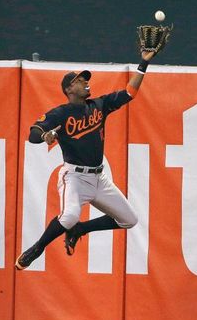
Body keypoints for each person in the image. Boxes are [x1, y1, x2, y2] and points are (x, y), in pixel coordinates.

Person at [15, 50, 154, 270]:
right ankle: (37, 248)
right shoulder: (60, 113)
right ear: (69, 89)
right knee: (69, 215)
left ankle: (80, 229)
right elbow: (33, 133)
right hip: (75, 178)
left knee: (129, 219)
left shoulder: (99, 105)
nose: (85, 83)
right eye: (80, 81)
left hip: (99, 178)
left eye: (85, 80)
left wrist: (143, 62)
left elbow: (130, 92)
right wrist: (45, 136)